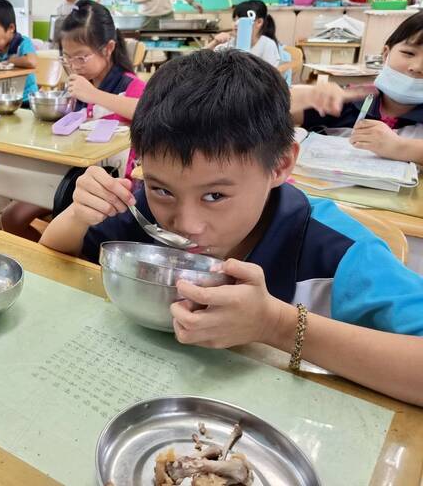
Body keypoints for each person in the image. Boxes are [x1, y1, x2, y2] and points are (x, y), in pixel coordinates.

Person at [40, 48, 423, 406]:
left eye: (215, 196)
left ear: (280, 166)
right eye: (162, 189)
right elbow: (53, 255)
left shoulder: (337, 250)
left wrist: (275, 325)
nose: (186, 224)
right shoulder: (145, 208)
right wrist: (77, 214)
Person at [1, 0, 146, 241]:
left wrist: (94, 95)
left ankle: (61, 253)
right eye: (68, 58)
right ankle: (50, 256)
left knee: (79, 232)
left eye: (81, 58)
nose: (74, 66)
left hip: (109, 186)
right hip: (68, 173)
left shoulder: (128, 85)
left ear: (108, 48)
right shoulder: (79, 84)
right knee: (11, 218)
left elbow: (146, 110)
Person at [292, 11, 423, 164]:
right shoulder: (349, 100)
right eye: (408, 53)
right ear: (386, 54)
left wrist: (400, 147)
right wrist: (305, 96)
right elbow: (270, 110)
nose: (417, 67)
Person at [206, 0, 281, 67]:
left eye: (241, 20)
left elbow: (269, 75)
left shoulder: (267, 45)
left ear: (259, 22)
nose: (235, 24)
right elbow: (200, 62)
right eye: (234, 20)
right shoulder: (229, 42)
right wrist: (214, 43)